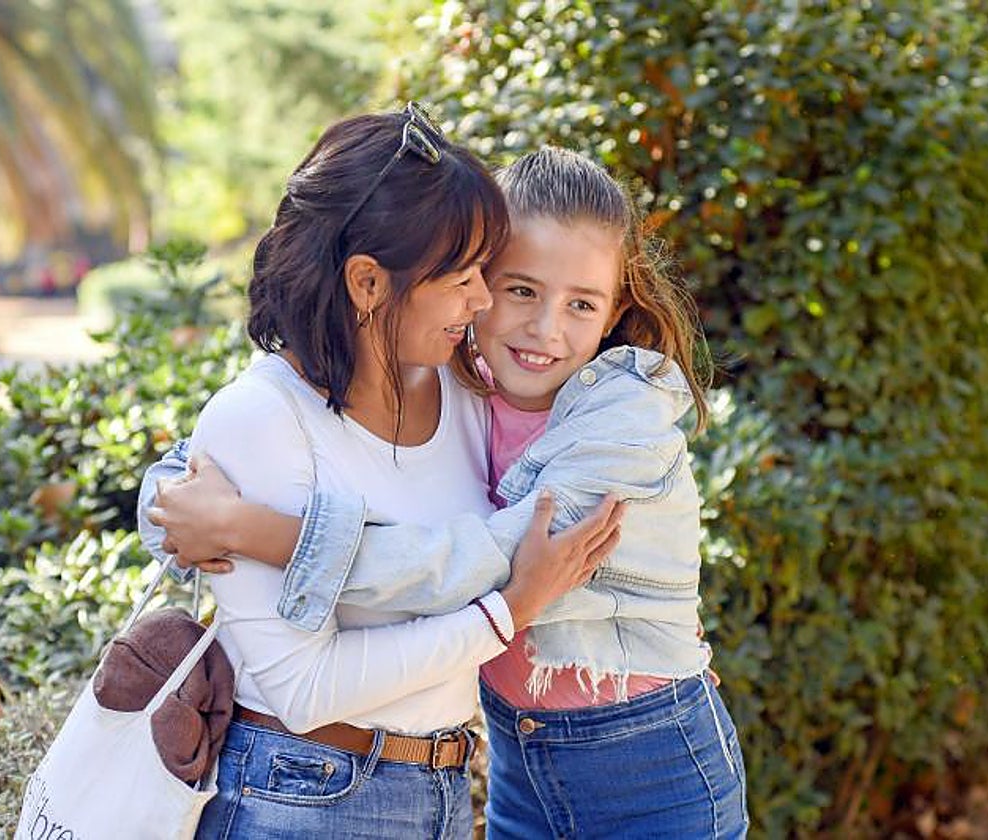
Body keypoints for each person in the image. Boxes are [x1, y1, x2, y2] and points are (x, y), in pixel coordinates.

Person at [146, 146, 749, 838]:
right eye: (519, 290)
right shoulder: (470, 385)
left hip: (649, 765)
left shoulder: (621, 423)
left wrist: (250, 530)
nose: (545, 328)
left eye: (581, 303)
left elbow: (479, 562)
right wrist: (168, 504)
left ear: (615, 310)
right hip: (518, 764)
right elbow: (217, 451)